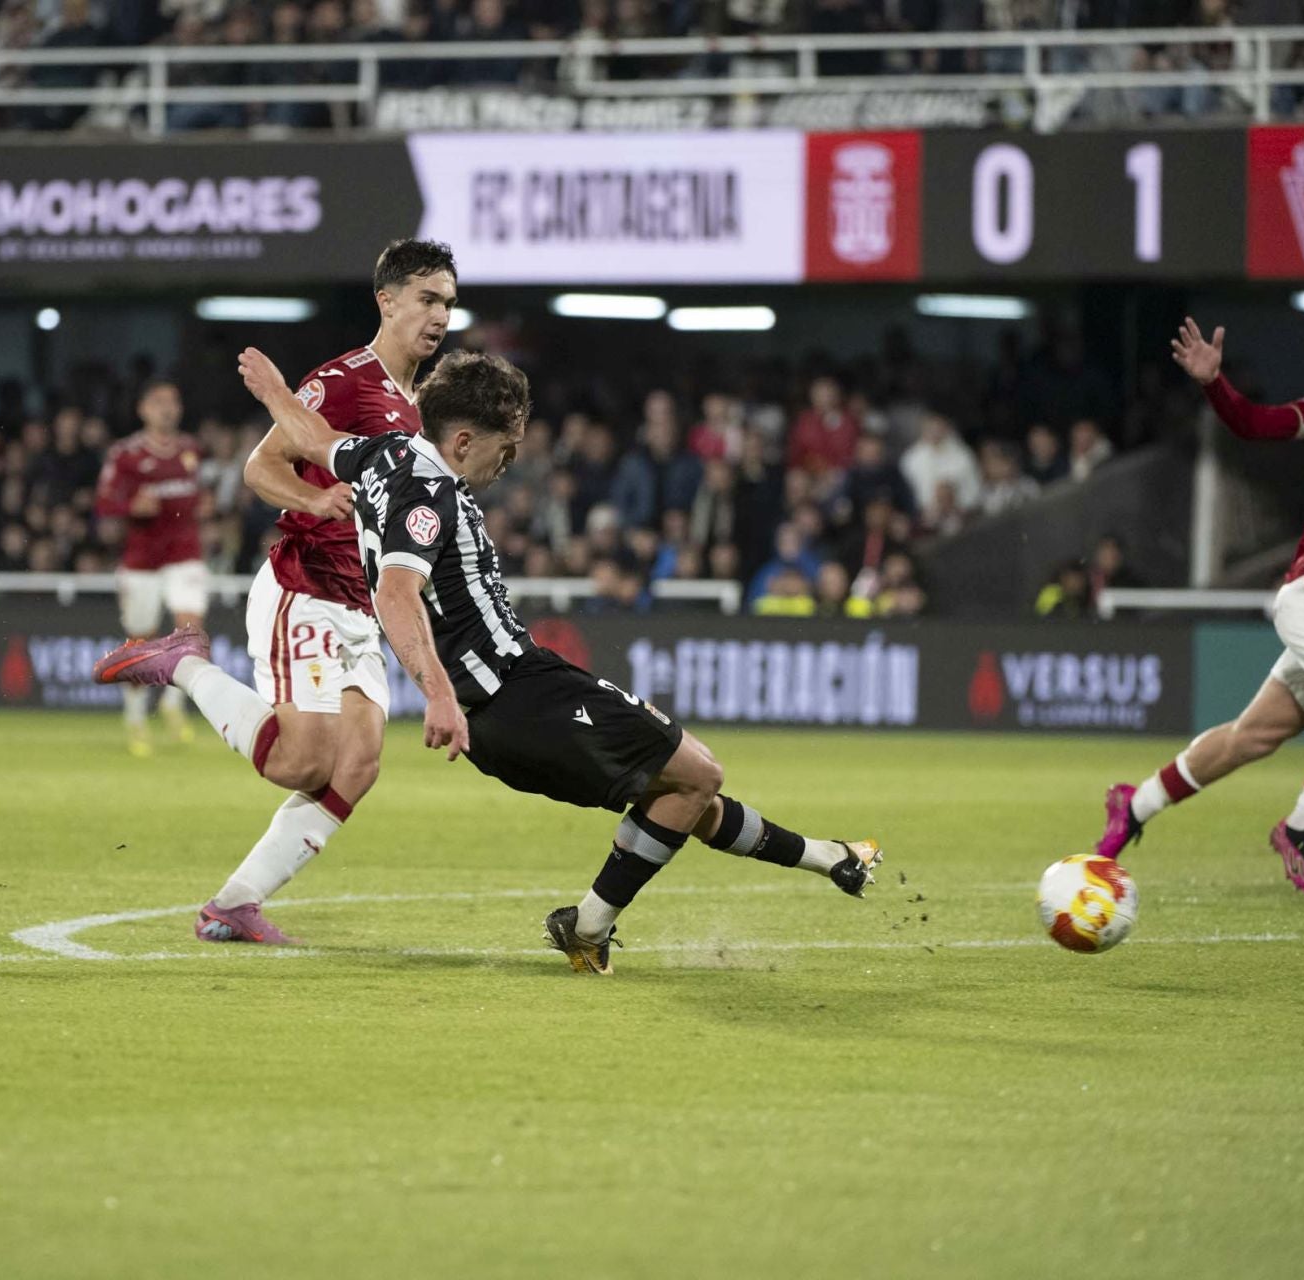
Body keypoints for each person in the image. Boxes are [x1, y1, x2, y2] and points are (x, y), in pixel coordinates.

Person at [140, 345, 878, 974]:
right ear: (463, 442)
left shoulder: (383, 456)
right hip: (517, 693)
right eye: (505, 445)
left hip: (510, 706)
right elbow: (397, 595)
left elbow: (314, 436)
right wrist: (436, 693)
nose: (510, 460)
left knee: (681, 796)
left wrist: (273, 392)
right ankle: (586, 930)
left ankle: (830, 857)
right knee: (699, 772)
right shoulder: (427, 491)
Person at [92, 239, 458, 945]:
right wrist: (314, 503)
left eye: (447, 301)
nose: (440, 315)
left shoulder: (422, 402)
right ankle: (181, 663)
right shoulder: (346, 379)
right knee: (302, 760)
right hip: (306, 585)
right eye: (427, 299)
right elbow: (261, 469)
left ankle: (234, 904)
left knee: (360, 762)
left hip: (362, 601)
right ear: (387, 301)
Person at [1096, 313, 1304, 898]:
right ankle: (1299, 829)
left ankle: (1134, 805)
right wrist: (1216, 384)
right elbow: (1254, 424)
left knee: (1251, 738)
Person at [93, 379, 206, 755]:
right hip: (141, 561)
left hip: (184, 554)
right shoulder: (126, 454)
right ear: (143, 409)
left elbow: (196, 496)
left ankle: (173, 707)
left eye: (173, 401)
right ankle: (136, 718)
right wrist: (130, 508)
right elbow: (104, 502)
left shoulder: (191, 449)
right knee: (141, 642)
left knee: (189, 630)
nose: (167, 408)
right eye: (158, 402)